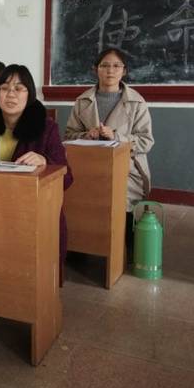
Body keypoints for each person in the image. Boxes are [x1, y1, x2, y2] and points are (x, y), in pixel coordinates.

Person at [0, 64, 73, 275]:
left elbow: (67, 177)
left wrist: (45, 162)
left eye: (19, 88)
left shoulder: (47, 127)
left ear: (29, 94)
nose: (10, 94)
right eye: (4, 88)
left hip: (32, 211)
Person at [64, 47, 154, 251]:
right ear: (95, 69)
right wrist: (86, 135)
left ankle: (125, 248)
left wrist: (117, 137)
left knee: (122, 197)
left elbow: (146, 141)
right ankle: (82, 245)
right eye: (104, 65)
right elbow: (68, 136)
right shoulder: (83, 101)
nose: (110, 71)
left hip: (127, 168)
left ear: (124, 70)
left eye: (116, 66)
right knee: (79, 195)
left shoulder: (136, 102)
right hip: (89, 166)